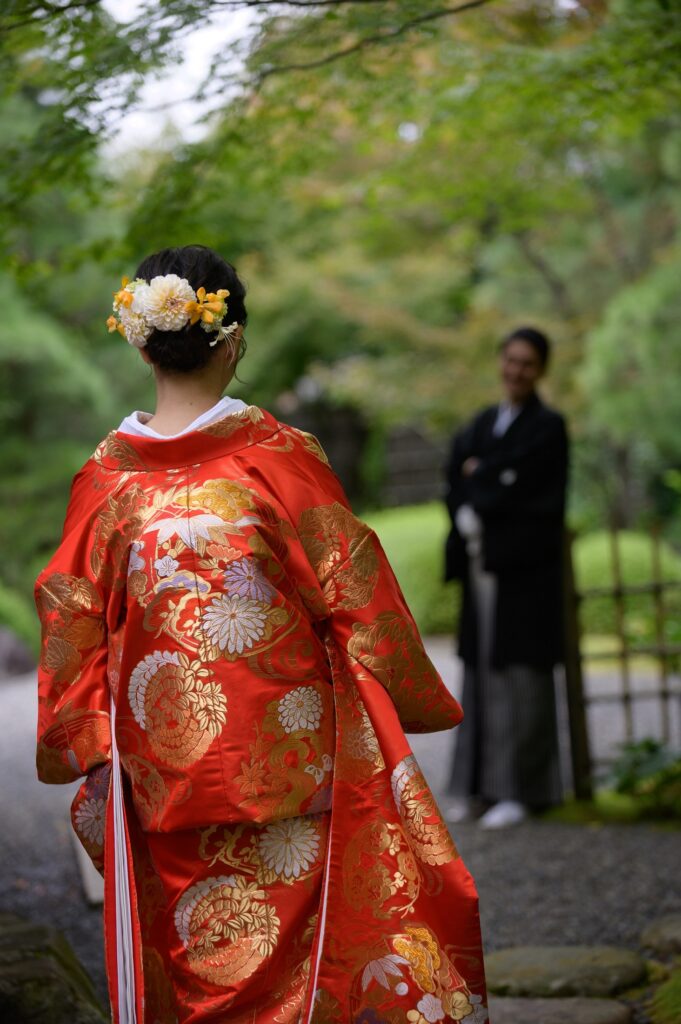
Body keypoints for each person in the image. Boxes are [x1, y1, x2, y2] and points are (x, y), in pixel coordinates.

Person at [35, 246, 487, 1024]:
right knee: (297, 969)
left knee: (196, 955)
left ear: (138, 343)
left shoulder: (106, 483)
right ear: (233, 340)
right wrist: (410, 690)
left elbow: (70, 623)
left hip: (161, 773)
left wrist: (91, 749)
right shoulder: (278, 459)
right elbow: (359, 590)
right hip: (290, 761)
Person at [443, 326, 568, 830]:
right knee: (479, 674)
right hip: (480, 566)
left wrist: (486, 480)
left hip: (524, 573)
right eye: (511, 360)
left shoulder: (548, 427)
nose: (517, 370)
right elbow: (456, 474)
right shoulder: (482, 423)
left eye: (528, 363)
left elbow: (527, 489)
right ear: (501, 361)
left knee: (522, 676)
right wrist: (483, 483)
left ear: (540, 370)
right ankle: (477, 788)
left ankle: (524, 790)